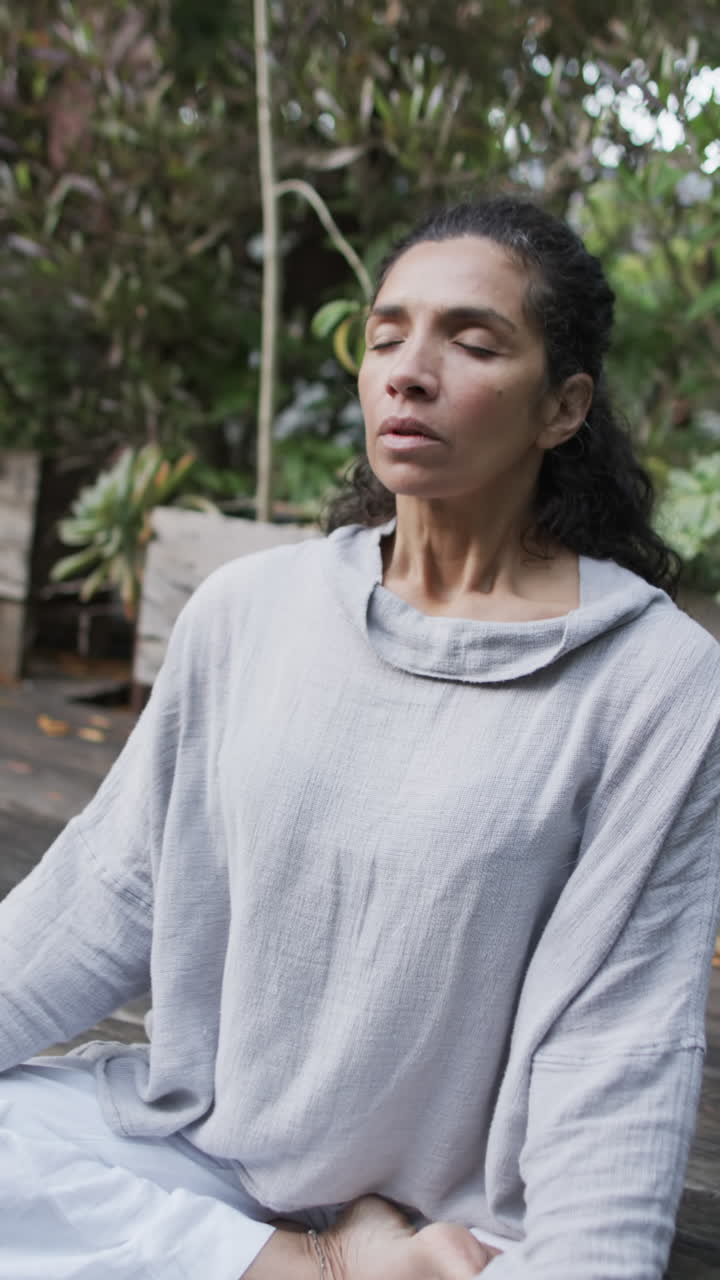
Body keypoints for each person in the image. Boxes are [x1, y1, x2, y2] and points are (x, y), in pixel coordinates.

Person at [0, 195, 719, 1280]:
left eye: (473, 342)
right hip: (202, 1157)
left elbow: (618, 1041)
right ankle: (313, 1265)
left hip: (451, 1228)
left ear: (563, 407)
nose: (408, 372)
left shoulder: (652, 680)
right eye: (387, 336)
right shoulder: (249, 609)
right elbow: (107, 894)